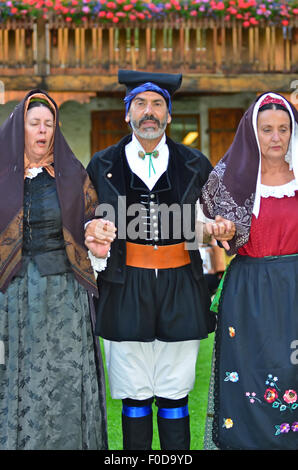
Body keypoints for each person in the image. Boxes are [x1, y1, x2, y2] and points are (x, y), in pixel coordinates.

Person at [84, 70, 220, 450]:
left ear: (169, 115)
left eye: (157, 104)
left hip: (181, 283)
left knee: (175, 393)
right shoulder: (102, 164)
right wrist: (92, 231)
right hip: (124, 284)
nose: (149, 112)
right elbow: (86, 219)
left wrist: (211, 229)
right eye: (140, 104)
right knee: (135, 394)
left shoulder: (195, 163)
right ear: (127, 113)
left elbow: (210, 220)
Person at [0, 89, 108, 450]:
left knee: (63, 378)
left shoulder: (72, 174)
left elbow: (90, 217)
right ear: (20, 128)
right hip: (13, 297)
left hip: (64, 295)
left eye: (49, 123)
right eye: (35, 123)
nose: (42, 130)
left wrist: (96, 231)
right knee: (20, 377)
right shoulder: (1, 175)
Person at [201, 92, 298, 450]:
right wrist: (216, 230)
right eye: (267, 129)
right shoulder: (230, 180)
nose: (276, 137)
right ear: (252, 133)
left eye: (283, 129)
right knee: (249, 374)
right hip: (249, 290)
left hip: (294, 288)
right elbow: (196, 226)